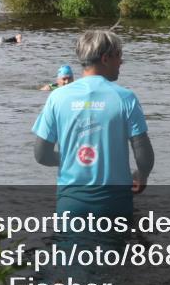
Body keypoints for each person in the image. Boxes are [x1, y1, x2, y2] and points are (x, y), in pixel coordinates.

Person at [32, 29, 154, 217]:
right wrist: (142, 174)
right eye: (119, 56)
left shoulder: (56, 98)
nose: (121, 62)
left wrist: (71, 159)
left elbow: (41, 155)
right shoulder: (125, 98)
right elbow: (144, 156)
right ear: (105, 59)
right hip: (115, 204)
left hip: (70, 204)